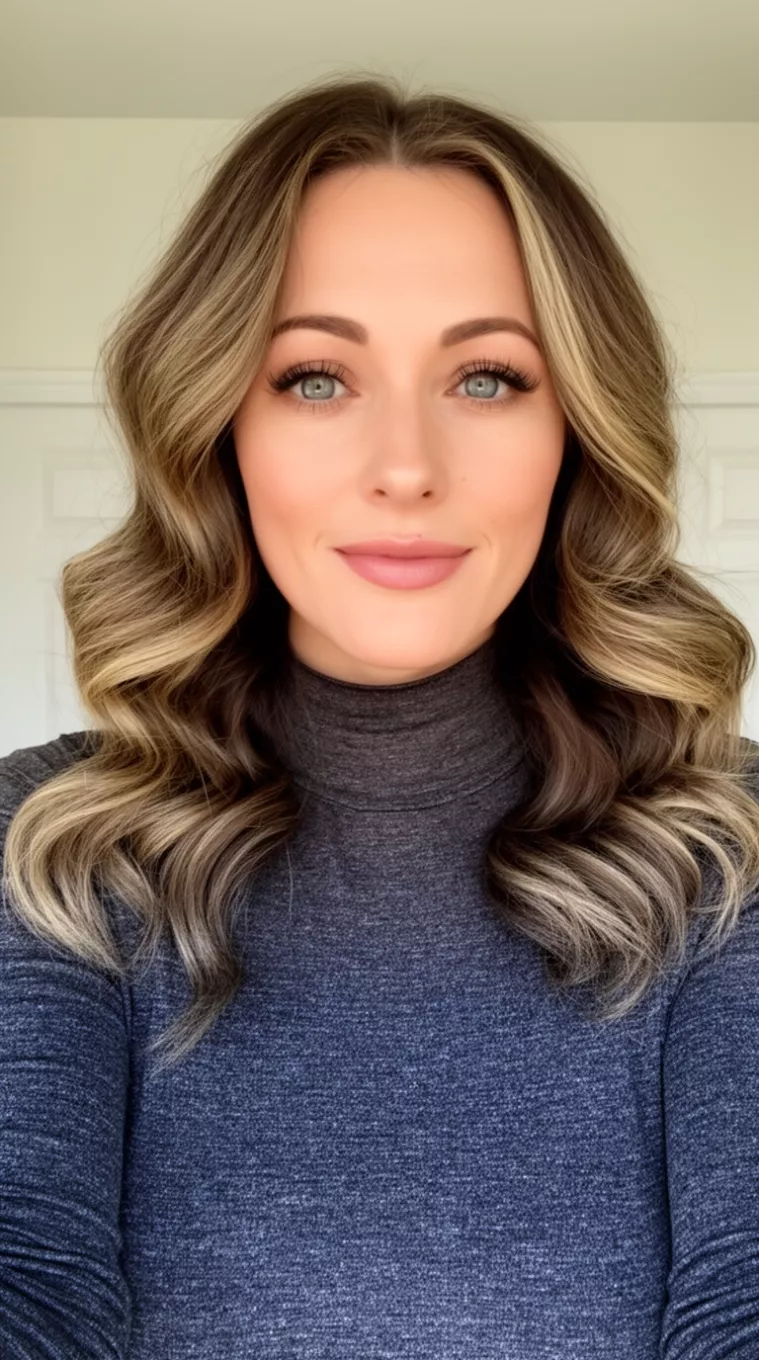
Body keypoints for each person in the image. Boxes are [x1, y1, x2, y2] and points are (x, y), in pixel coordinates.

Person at [2, 71, 759, 1360]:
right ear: (216, 423)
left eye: (486, 379)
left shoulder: (724, 845)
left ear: (576, 429)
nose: (405, 465)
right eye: (313, 377)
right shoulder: (53, 842)